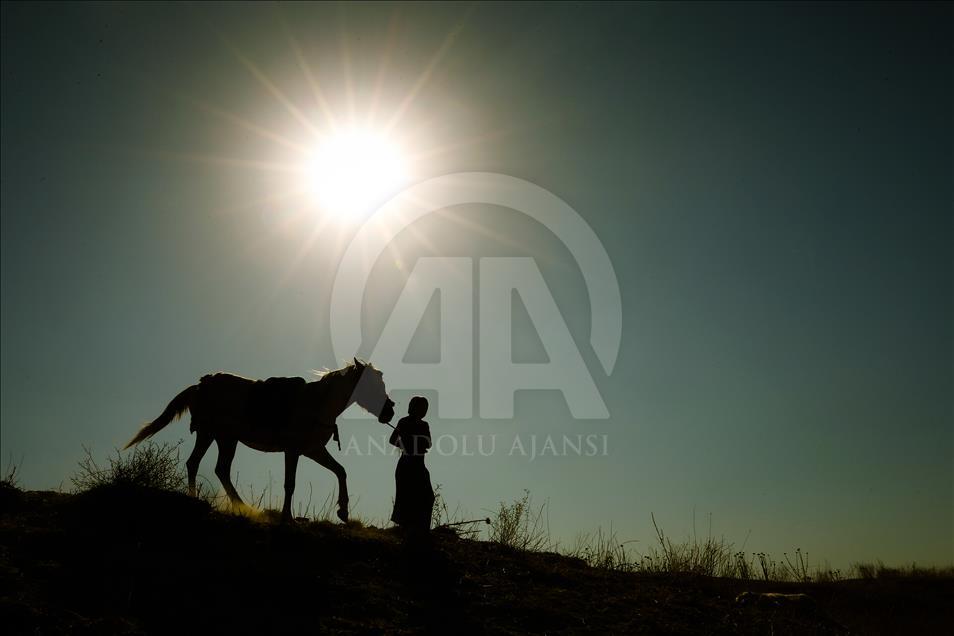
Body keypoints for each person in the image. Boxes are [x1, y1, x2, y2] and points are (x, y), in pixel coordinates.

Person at [389, 396, 434, 532]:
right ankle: (408, 528)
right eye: (422, 407)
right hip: (407, 465)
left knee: (428, 497)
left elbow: (429, 443)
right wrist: (405, 444)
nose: (425, 410)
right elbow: (392, 440)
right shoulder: (403, 422)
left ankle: (422, 528)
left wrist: (416, 442)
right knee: (407, 497)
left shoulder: (424, 425)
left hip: (419, 465)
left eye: (426, 408)